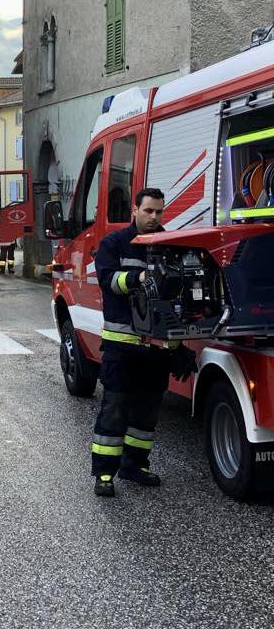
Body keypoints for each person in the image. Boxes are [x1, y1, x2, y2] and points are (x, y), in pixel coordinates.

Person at [91, 187, 194, 497]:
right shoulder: (115, 244)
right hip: (122, 347)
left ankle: (134, 465)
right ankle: (104, 474)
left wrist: (179, 347)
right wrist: (137, 278)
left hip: (157, 349)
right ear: (134, 210)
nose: (154, 217)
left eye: (159, 212)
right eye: (148, 211)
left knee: (148, 410)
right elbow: (108, 280)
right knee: (115, 408)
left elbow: (182, 297)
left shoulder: (170, 245)